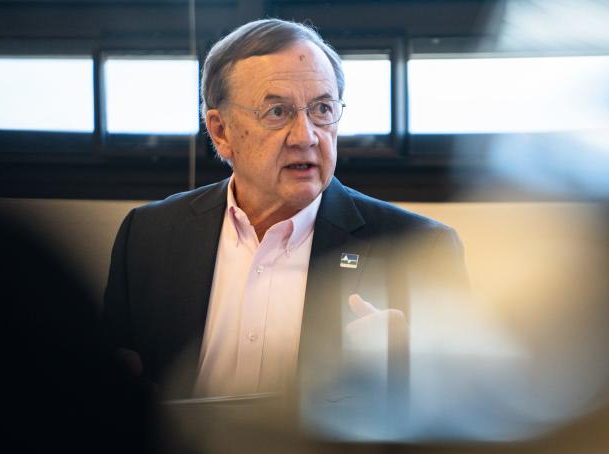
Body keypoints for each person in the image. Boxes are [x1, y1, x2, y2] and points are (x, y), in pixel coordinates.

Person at [103, 18, 466, 401]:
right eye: (277, 112)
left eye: (322, 109)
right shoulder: (148, 234)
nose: (306, 136)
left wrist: (419, 370)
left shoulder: (420, 249)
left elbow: (467, 411)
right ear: (220, 131)